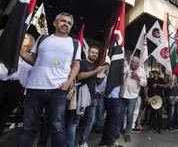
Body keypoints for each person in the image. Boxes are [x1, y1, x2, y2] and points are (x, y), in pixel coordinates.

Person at [19, 13, 81, 147]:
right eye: (63, 21)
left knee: (57, 127)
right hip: (35, 88)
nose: (66, 24)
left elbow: (76, 65)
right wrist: (21, 52)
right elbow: (34, 60)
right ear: (55, 23)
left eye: (69, 23)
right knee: (28, 127)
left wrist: (69, 82)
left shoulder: (75, 43)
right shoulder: (42, 39)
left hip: (58, 90)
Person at [66, 46, 106, 147]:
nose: (94, 54)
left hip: (93, 97)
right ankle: (70, 144)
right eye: (92, 52)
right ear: (88, 52)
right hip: (81, 96)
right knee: (75, 121)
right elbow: (79, 76)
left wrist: (101, 74)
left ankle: (82, 142)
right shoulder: (82, 63)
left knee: (90, 121)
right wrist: (95, 71)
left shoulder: (95, 65)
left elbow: (95, 81)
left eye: (96, 53)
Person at [0, 33, 34, 136]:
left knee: (5, 113)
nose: (22, 39)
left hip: (17, 87)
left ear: (30, 42)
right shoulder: (6, 51)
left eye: (25, 38)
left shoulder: (30, 57)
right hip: (2, 83)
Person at [119, 56, 147, 142]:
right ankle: (117, 131)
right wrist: (124, 74)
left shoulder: (141, 71)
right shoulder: (127, 67)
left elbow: (144, 83)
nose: (132, 63)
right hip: (122, 95)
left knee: (130, 115)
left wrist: (138, 77)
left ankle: (127, 133)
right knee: (120, 115)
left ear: (138, 64)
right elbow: (119, 78)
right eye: (131, 61)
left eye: (134, 62)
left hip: (133, 96)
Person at [146, 69, 165, 133]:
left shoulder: (161, 79)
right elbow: (147, 88)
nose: (154, 73)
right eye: (153, 72)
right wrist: (147, 97)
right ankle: (153, 127)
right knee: (152, 113)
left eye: (155, 72)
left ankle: (160, 128)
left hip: (159, 98)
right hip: (152, 98)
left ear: (158, 73)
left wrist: (157, 85)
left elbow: (165, 86)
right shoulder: (150, 80)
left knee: (159, 114)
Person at [95, 63, 109, 133]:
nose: (106, 68)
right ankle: (99, 126)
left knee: (102, 111)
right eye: (105, 66)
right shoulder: (98, 75)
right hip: (98, 95)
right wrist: (98, 92)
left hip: (105, 95)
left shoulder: (107, 76)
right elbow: (94, 85)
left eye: (107, 67)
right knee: (99, 111)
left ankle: (99, 125)